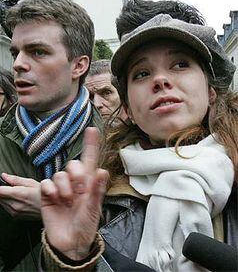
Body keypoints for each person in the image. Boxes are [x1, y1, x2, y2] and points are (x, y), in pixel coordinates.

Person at [40, 14, 237, 271]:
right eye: (142, 73)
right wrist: (73, 260)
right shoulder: (98, 190)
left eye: (180, 64)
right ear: (128, 110)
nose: (160, 80)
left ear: (211, 92)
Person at [0, 0, 102, 271]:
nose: (18, 64)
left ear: (79, 65)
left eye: (37, 52)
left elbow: (129, 242)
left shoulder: (112, 140)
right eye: (16, 53)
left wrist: (59, 214)